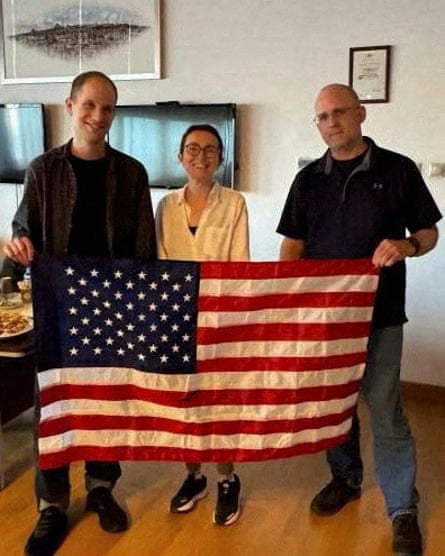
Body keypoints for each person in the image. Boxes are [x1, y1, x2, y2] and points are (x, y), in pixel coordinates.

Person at [277, 83, 441, 556]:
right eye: (322, 117)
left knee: (386, 409)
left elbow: (427, 233)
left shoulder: (399, 169)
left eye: (339, 113)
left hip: (382, 314)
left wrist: (406, 245)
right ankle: (345, 479)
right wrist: (284, 297)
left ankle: (402, 508)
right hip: (325, 317)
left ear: (361, 113)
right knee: (336, 405)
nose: (331, 123)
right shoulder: (308, 179)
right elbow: (292, 245)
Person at [3, 70, 157, 556]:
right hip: (56, 305)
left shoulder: (131, 173)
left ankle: (101, 489)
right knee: (53, 407)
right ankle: (52, 505)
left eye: (107, 108)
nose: (98, 116)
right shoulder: (42, 170)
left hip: (111, 307)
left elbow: (143, 249)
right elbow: (23, 227)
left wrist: (141, 308)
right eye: (89, 105)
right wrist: (17, 248)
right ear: (70, 106)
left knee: (103, 402)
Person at [155, 124, 250, 526]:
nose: (201, 156)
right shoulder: (164, 206)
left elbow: (239, 263)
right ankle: (193, 477)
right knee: (185, 402)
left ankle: (227, 478)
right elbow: (158, 264)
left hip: (219, 318)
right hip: (174, 319)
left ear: (220, 159)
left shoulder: (234, 203)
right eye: (192, 148)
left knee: (219, 403)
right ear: (180, 156)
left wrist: (217, 309)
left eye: (211, 150)